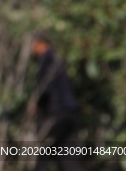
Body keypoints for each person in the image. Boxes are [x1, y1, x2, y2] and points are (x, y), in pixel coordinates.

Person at [29, 30, 83, 171]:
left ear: (40, 43)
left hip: (56, 113)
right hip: (70, 112)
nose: (31, 49)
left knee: (41, 152)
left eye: (32, 45)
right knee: (66, 155)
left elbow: (46, 86)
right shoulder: (57, 59)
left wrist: (39, 106)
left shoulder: (46, 59)